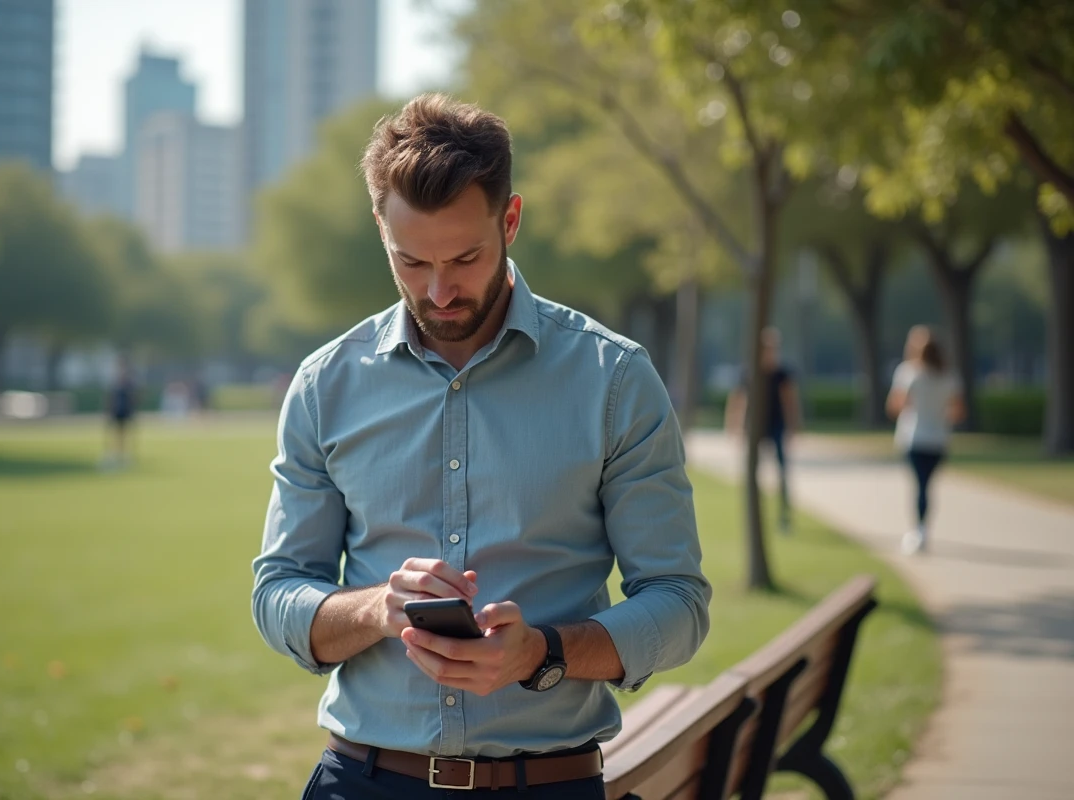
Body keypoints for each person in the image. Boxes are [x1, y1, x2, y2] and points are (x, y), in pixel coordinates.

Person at [252, 94, 710, 799]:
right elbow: (278, 593)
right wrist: (377, 610)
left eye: (465, 257)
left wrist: (543, 654)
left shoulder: (612, 379)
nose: (438, 292)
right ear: (380, 228)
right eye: (410, 262)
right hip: (363, 779)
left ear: (512, 220)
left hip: (546, 784)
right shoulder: (325, 385)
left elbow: (677, 603)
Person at [886, 325, 966, 555]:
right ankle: (922, 528)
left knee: (919, 486)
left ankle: (919, 530)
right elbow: (958, 411)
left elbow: (894, 406)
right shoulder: (949, 376)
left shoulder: (908, 373)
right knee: (926, 486)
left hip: (914, 437)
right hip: (938, 439)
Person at [724, 327, 801, 532]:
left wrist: (793, 426)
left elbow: (789, 401)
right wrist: (734, 426)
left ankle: (784, 516)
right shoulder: (749, 373)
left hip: (776, 426)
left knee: (782, 471)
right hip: (755, 427)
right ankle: (753, 515)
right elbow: (738, 400)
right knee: (752, 473)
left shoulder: (781, 374)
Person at [103, 357, 137, 468]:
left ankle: (125, 454)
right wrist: (109, 410)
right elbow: (111, 397)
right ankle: (115, 453)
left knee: (125, 433)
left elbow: (133, 396)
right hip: (117, 410)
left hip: (126, 410)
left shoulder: (129, 381)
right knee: (115, 433)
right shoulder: (115, 380)